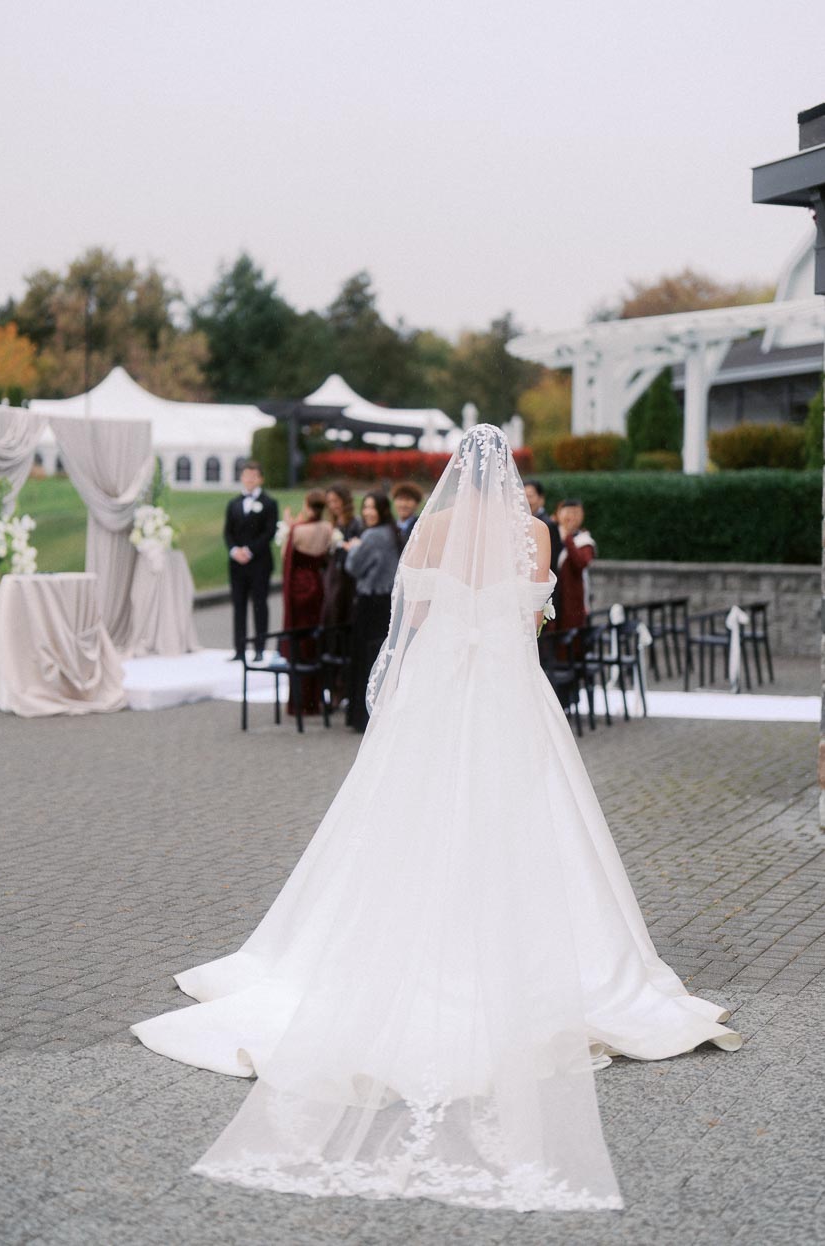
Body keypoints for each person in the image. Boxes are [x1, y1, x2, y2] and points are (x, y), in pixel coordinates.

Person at [132, 425, 740, 1215]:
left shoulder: (430, 530)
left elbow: (406, 624)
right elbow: (533, 625)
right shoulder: (533, 534)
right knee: (531, 828)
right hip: (510, 699)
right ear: (509, 474)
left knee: (396, 828)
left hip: (438, 697)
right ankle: (541, 959)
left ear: (454, 476)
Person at [343, 491, 401, 733]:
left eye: (372, 507)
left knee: (364, 659)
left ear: (382, 510)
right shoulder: (394, 533)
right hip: (388, 601)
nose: (367, 512)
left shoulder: (372, 535)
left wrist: (354, 548)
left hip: (370, 602)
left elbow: (353, 567)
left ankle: (361, 715)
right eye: (364, 507)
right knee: (381, 656)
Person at [280, 489, 332, 715]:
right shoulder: (328, 528)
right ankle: (314, 698)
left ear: (308, 506)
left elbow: (285, 556)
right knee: (313, 641)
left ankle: (299, 701)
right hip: (317, 585)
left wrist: (290, 526)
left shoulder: (298, 530)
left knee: (298, 642)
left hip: (299, 587)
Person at [223, 462, 278, 661]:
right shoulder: (234, 504)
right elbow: (227, 531)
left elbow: (269, 532)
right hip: (237, 564)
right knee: (239, 606)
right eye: (246, 476)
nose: (249, 480)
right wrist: (234, 550)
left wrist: (249, 550)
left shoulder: (269, 503)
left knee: (259, 604)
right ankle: (239, 648)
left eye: (253, 476)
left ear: (260, 479)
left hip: (259, 563)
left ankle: (260, 648)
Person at [320, 482, 363, 629]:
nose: (333, 505)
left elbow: (357, 547)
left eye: (336, 501)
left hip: (347, 575)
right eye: (330, 502)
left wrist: (344, 546)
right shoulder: (333, 523)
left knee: (342, 608)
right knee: (331, 609)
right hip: (333, 571)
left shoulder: (355, 523)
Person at [555, 497, 596, 631]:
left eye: (576, 513)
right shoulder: (551, 533)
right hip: (553, 596)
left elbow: (580, 563)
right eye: (568, 513)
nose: (571, 517)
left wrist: (568, 539)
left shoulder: (584, 541)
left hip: (572, 602)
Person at [524, 479, 562, 621]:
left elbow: (551, 562)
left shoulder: (546, 524)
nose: (527, 500)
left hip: (542, 590)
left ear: (541, 499)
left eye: (531, 496)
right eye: (524, 495)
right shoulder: (516, 523)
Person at [391, 480, 423, 547]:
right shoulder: (389, 526)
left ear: (417, 504)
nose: (403, 504)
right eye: (400, 499)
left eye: (408, 499)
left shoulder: (421, 527)